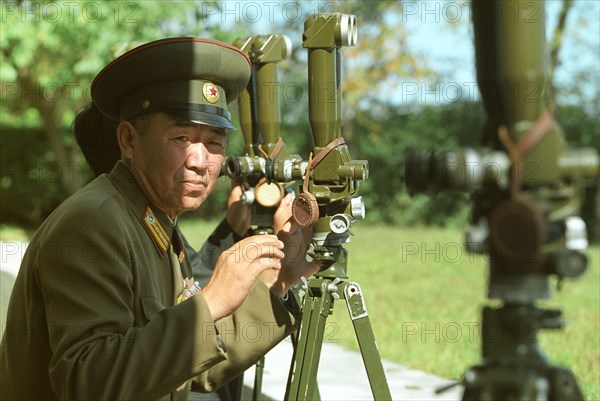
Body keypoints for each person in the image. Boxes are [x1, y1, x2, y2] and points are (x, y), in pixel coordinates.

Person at [0, 37, 318, 401]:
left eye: (214, 144)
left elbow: (191, 364)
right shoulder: (93, 223)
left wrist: (281, 277)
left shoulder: (152, 221)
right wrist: (211, 300)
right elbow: (89, 382)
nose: (200, 161)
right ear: (129, 141)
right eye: (181, 137)